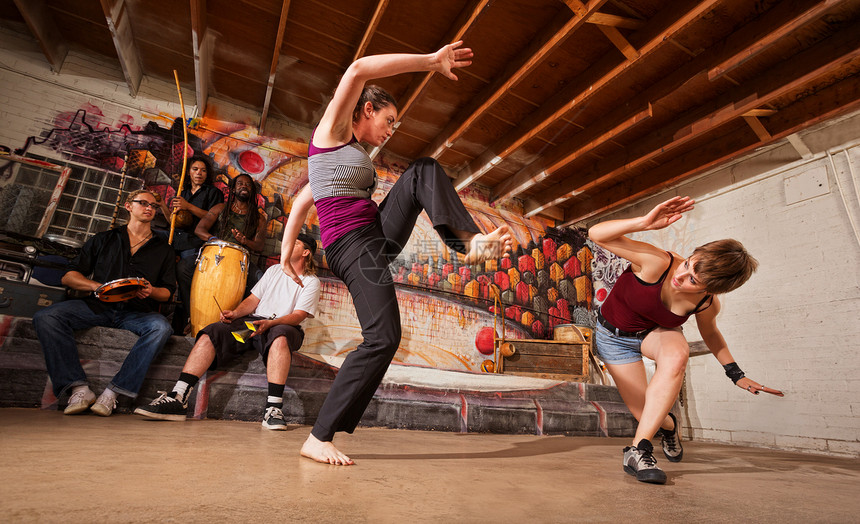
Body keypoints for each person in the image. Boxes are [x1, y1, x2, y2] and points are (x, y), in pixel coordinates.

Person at [279, 42, 513, 465]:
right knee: (383, 337)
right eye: (388, 120)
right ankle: (319, 436)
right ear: (366, 109)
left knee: (423, 169)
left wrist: (282, 254)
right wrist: (430, 62)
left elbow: (301, 203)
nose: (391, 129)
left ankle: (467, 242)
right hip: (353, 245)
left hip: (373, 234)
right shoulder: (330, 132)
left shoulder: (344, 158)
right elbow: (357, 70)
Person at [588, 196, 783, 485]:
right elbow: (595, 234)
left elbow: (711, 334)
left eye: (694, 279)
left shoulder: (706, 304)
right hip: (613, 339)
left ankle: (638, 451)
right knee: (648, 414)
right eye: (689, 264)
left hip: (654, 335)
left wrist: (736, 374)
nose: (682, 275)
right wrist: (643, 223)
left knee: (677, 355)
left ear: (713, 289)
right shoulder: (658, 263)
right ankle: (669, 427)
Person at [134, 233, 320, 428]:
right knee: (212, 332)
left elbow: (298, 316)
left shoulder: (311, 281)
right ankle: (178, 397)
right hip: (253, 327)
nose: (287, 244)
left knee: (280, 337)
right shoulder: (274, 270)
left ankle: (273, 409)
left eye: (295, 243)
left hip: (283, 326)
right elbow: (252, 300)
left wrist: (271, 323)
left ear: (306, 252)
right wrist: (236, 313)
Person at [32, 189, 176, 416]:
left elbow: (167, 293)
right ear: (128, 206)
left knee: (161, 327)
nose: (150, 208)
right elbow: (69, 276)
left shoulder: (164, 249)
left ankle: (112, 393)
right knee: (46, 316)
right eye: (144, 203)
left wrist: (151, 290)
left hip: (136, 313)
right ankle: (79, 389)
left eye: (154, 206)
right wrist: (96, 286)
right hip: (97, 307)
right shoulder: (104, 239)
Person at [164, 155, 225, 334]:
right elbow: (172, 222)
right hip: (176, 239)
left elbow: (213, 220)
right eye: (195, 169)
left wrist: (188, 206)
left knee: (185, 276)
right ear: (189, 172)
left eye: (203, 170)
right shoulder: (182, 193)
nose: (199, 173)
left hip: (194, 242)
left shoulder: (213, 193)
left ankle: (188, 321)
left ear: (208, 174)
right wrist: (162, 204)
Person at [194, 173, 267, 291]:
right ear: (233, 189)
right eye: (240, 184)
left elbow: (259, 246)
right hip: (216, 254)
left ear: (252, 191)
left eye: (248, 185)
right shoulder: (220, 208)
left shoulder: (259, 218)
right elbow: (199, 229)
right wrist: (214, 240)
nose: (244, 186)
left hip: (240, 261)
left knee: (260, 280)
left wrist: (245, 241)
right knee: (184, 268)